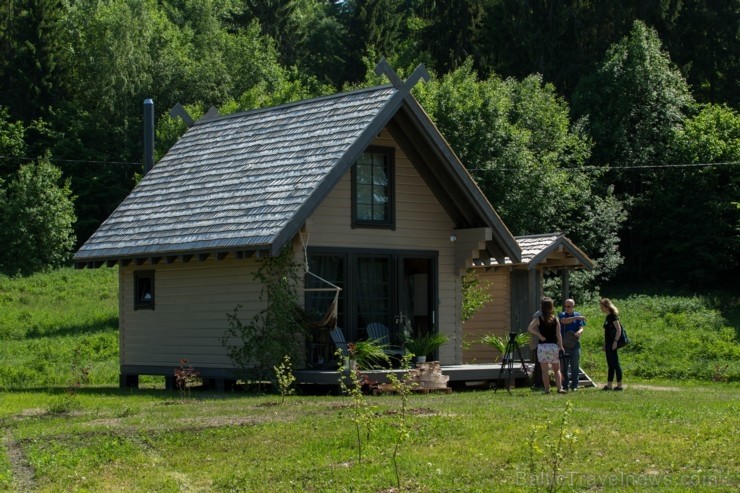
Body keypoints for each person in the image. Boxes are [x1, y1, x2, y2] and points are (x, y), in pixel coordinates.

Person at [528, 297, 566, 394]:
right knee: (557, 369)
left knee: (544, 370)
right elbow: (558, 334)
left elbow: (530, 328)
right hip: (553, 346)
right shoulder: (556, 319)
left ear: (542, 307)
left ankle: (546, 389)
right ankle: (559, 388)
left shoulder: (538, 319)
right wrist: (561, 346)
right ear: (551, 307)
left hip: (542, 347)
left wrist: (540, 335)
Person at [559, 298, 586, 391]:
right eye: (565, 306)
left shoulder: (578, 315)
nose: (566, 308)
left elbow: (581, 327)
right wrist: (576, 318)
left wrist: (579, 332)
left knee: (575, 365)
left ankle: (574, 386)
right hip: (564, 344)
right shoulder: (562, 314)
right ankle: (565, 385)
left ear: (573, 306)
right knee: (564, 366)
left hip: (575, 343)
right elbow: (564, 321)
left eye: (568, 306)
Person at [600, 298, 624, 390]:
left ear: (606, 306)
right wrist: (604, 344)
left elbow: (618, 329)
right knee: (610, 364)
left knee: (616, 364)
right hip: (608, 343)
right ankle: (609, 385)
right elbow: (607, 332)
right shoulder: (608, 317)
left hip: (613, 343)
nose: (601, 308)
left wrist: (615, 342)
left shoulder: (613, 316)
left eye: (601, 306)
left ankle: (619, 385)